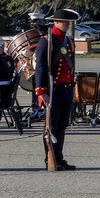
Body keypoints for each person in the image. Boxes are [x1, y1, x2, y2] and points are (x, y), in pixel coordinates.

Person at [34, 9, 79, 170]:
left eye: (68, 22)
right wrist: (41, 91)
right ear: (56, 22)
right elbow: (40, 68)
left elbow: (71, 67)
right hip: (53, 89)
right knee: (51, 126)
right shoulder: (47, 41)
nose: (67, 25)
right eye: (65, 22)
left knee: (61, 125)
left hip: (65, 89)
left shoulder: (69, 41)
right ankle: (50, 158)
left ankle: (59, 158)